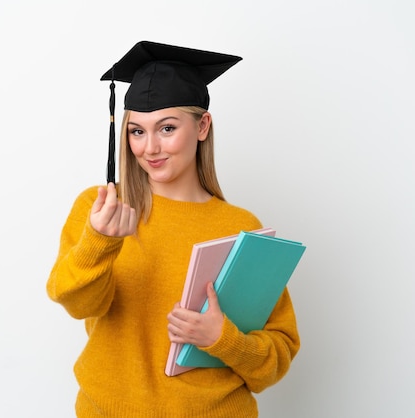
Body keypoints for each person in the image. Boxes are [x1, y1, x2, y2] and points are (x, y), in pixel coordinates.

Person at [47, 40, 300, 417]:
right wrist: (100, 242)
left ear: (202, 126)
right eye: (137, 131)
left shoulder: (240, 227)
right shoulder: (102, 209)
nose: (150, 148)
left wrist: (221, 339)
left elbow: (276, 357)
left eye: (167, 128)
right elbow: (77, 303)